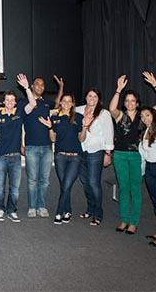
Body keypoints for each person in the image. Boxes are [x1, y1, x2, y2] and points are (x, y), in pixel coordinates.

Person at [109, 72, 156, 234]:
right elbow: (112, 108)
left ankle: (133, 222)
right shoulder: (121, 116)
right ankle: (124, 220)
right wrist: (118, 90)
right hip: (119, 155)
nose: (129, 103)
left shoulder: (144, 115)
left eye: (133, 101)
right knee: (123, 188)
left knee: (135, 189)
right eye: (127, 101)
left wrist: (155, 84)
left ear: (137, 102)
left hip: (136, 157)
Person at [39, 94, 89, 224]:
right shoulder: (55, 118)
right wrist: (50, 127)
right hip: (60, 156)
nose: (66, 103)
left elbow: (81, 139)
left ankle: (59, 212)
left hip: (75, 157)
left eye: (69, 101)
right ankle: (68, 210)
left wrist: (84, 127)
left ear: (72, 103)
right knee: (64, 186)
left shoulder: (78, 117)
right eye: (64, 101)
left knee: (66, 185)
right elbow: (53, 139)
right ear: (60, 102)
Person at [0, 74, 36, 223]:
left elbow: (33, 104)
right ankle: (0, 209)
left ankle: (11, 211)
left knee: (15, 188)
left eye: (12, 100)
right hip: (0, 157)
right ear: (3, 101)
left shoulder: (20, 113)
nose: (10, 102)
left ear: (16, 102)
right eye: (7, 100)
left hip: (16, 157)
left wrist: (26, 88)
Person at [19, 75, 64, 218]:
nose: (40, 86)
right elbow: (19, 126)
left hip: (47, 148)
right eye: (37, 84)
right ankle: (32, 207)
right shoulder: (23, 101)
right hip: (31, 147)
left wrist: (61, 87)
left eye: (42, 85)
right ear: (32, 86)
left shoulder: (46, 103)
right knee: (32, 180)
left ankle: (41, 206)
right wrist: (21, 144)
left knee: (44, 180)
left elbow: (57, 104)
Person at [76, 88, 114, 226]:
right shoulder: (78, 110)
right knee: (85, 181)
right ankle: (90, 209)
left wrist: (108, 153)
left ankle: (98, 214)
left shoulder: (104, 114)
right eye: (90, 95)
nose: (92, 98)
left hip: (96, 151)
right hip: (81, 151)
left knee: (93, 183)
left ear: (99, 99)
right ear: (85, 97)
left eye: (95, 96)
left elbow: (109, 133)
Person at [139, 107, 156, 248]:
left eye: (148, 115)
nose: (145, 118)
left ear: (154, 115)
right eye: (142, 116)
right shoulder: (146, 132)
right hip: (150, 170)